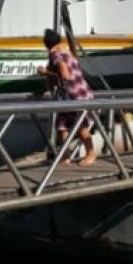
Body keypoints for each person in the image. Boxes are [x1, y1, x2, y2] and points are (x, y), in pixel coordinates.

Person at [38, 28, 96, 165]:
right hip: (77, 93)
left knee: (80, 126)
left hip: (75, 95)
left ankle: (91, 154)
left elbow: (64, 75)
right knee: (61, 126)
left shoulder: (55, 55)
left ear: (46, 45)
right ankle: (65, 156)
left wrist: (44, 72)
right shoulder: (67, 52)